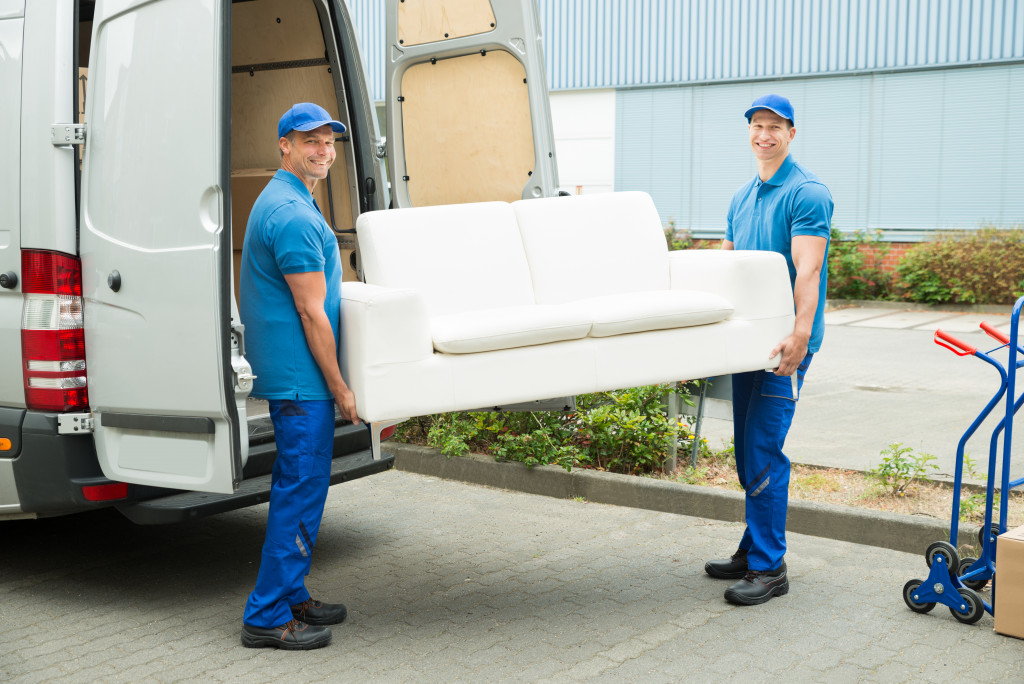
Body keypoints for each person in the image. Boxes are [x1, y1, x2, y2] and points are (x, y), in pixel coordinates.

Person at [239, 102, 361, 649]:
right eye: (309, 140)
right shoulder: (291, 215)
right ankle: (266, 616)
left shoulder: (289, 200)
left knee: (302, 488)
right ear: (283, 145)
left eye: (329, 141)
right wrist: (339, 387)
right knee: (300, 492)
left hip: (298, 376)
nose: (322, 150)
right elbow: (312, 312)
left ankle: (292, 595)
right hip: (302, 380)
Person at [704, 94, 832, 606]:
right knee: (744, 446)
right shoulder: (740, 197)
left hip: (785, 346)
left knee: (763, 447)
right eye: (757, 126)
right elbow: (726, 269)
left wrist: (801, 335)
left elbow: (808, 269)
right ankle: (752, 546)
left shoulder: (808, 193)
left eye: (775, 126)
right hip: (746, 341)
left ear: (792, 133)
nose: (765, 134)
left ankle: (770, 567)